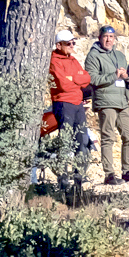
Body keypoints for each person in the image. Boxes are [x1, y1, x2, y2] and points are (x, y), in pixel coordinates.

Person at [85, 24, 129, 185]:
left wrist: (127, 76)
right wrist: (113, 75)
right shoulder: (93, 56)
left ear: (115, 39)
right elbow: (91, 79)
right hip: (105, 101)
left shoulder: (120, 55)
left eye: (111, 37)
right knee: (108, 138)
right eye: (105, 37)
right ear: (100, 38)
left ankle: (127, 171)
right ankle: (109, 175)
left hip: (122, 101)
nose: (108, 40)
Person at [48, 29, 93, 162]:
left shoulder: (73, 60)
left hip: (77, 103)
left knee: (82, 140)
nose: (72, 46)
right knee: (65, 142)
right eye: (68, 43)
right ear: (59, 45)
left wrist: (72, 78)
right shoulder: (54, 61)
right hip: (64, 103)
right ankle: (63, 178)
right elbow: (63, 85)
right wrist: (76, 79)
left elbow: (86, 78)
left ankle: (79, 176)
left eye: (73, 43)